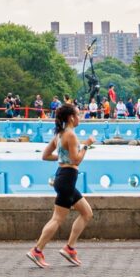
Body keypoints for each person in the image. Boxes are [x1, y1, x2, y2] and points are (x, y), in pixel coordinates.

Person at [27, 100, 92, 267]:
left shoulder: (59, 134)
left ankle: (70, 248)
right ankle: (37, 250)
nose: (80, 117)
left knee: (87, 213)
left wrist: (63, 158)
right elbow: (76, 160)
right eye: (77, 114)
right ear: (71, 118)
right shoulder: (70, 134)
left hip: (63, 178)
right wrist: (86, 146)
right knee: (57, 219)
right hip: (67, 179)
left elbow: (46, 155)